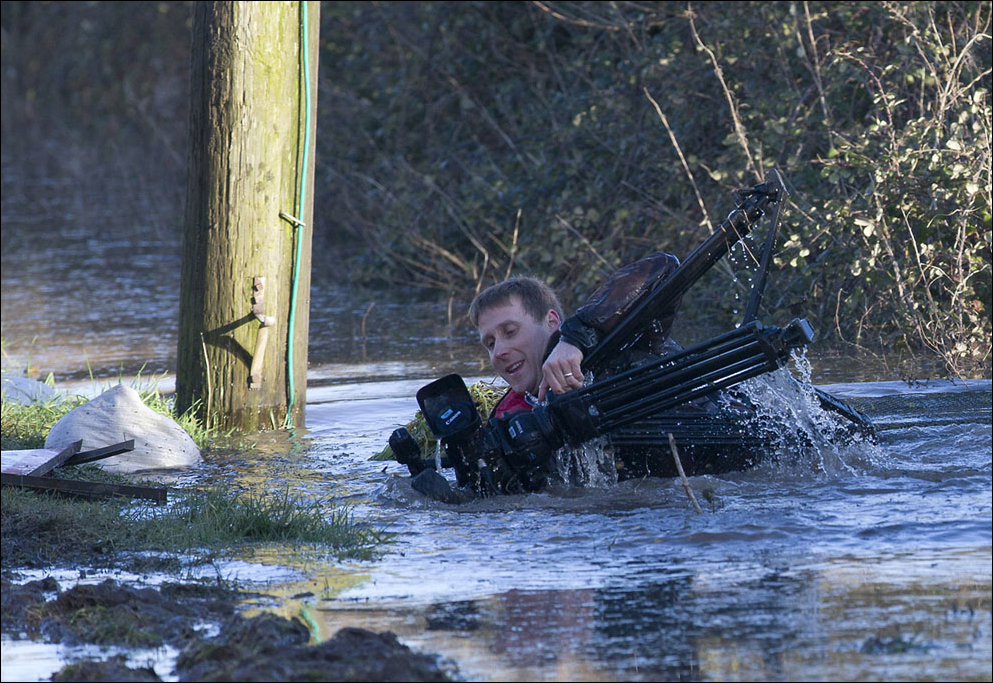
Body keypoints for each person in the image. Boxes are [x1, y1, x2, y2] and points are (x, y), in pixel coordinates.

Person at [467, 251, 684, 422]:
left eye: (510, 332)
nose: (499, 352)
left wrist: (577, 338)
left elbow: (666, 265)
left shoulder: (617, 344)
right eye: (490, 343)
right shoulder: (511, 419)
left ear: (551, 322)